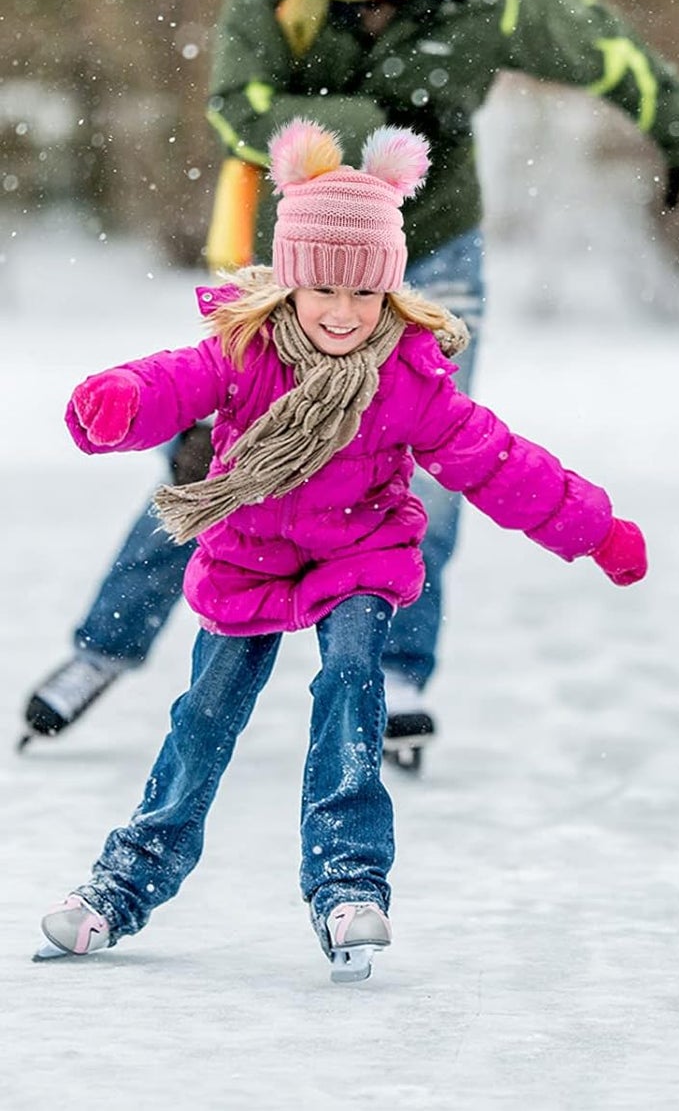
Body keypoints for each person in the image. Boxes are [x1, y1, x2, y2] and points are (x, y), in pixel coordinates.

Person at [20, 0, 679, 765]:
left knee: (430, 463)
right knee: (218, 457)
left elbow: (598, 43)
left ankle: (398, 669)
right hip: (288, 263)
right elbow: (239, 103)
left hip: (429, 257)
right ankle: (103, 646)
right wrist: (374, 132)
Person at [34, 119, 647, 982]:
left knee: (352, 683)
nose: (343, 311)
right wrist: (120, 401)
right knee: (205, 717)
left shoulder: (407, 375)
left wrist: (595, 530)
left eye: (366, 295)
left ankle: (348, 883)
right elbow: (174, 378)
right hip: (247, 554)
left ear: (390, 292)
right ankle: (124, 882)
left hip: (358, 552)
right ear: (288, 280)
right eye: (323, 288)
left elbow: (498, 461)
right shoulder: (244, 350)